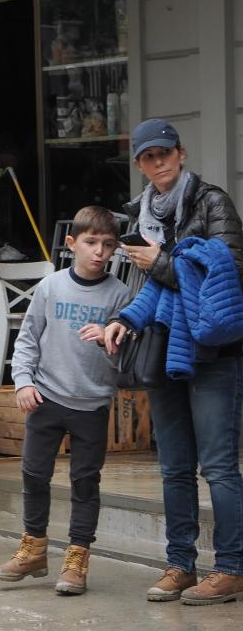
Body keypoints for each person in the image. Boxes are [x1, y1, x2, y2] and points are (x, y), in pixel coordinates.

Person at [103, 118, 243, 606]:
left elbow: (228, 281)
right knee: (174, 467)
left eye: (165, 153)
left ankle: (230, 568)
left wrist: (161, 263)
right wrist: (126, 318)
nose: (158, 162)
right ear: (140, 165)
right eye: (148, 157)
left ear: (181, 154)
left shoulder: (213, 202)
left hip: (214, 354)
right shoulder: (138, 216)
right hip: (163, 350)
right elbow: (152, 291)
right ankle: (180, 564)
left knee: (220, 467)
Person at [0, 206, 131, 595]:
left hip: (92, 403)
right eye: (90, 243)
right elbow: (28, 338)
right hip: (47, 397)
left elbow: (125, 356)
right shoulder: (51, 286)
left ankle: (77, 560)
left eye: (108, 245)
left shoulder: (120, 294)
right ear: (72, 244)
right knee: (34, 474)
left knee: (85, 482)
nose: (99, 252)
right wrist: (21, 383)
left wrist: (108, 338)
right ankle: (33, 549)